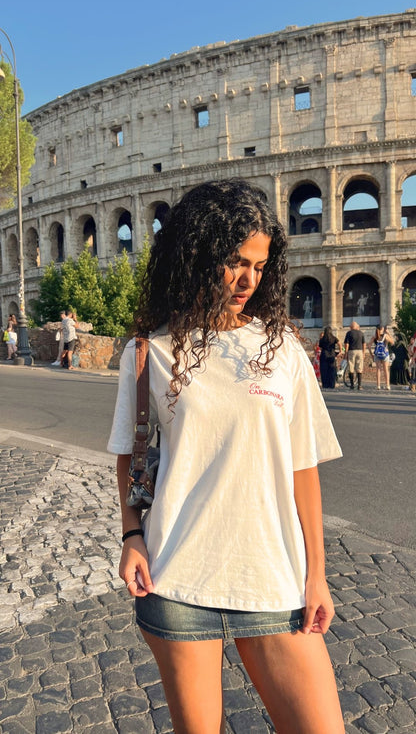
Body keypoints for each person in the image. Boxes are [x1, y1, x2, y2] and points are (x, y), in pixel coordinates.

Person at [107, 179, 345, 734]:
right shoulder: (151, 350)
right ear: (197, 254)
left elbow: (302, 468)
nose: (248, 280)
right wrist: (131, 536)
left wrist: (317, 576)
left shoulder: (282, 347)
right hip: (177, 576)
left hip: (273, 577)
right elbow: (130, 454)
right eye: (235, 262)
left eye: (260, 267)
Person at [369, 324, 394, 391]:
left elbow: (369, 346)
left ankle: (378, 385)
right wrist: (389, 333)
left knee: (378, 370)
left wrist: (371, 354)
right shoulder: (385, 336)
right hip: (385, 354)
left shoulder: (375, 336)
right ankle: (387, 385)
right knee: (386, 370)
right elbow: (392, 342)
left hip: (377, 354)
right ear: (382, 329)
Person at [343, 321, 366, 390]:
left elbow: (347, 344)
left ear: (351, 327)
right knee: (359, 368)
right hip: (359, 351)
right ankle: (359, 385)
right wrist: (364, 353)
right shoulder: (361, 333)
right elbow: (364, 344)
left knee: (351, 367)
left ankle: (352, 384)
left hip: (351, 351)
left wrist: (346, 353)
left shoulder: (349, 333)